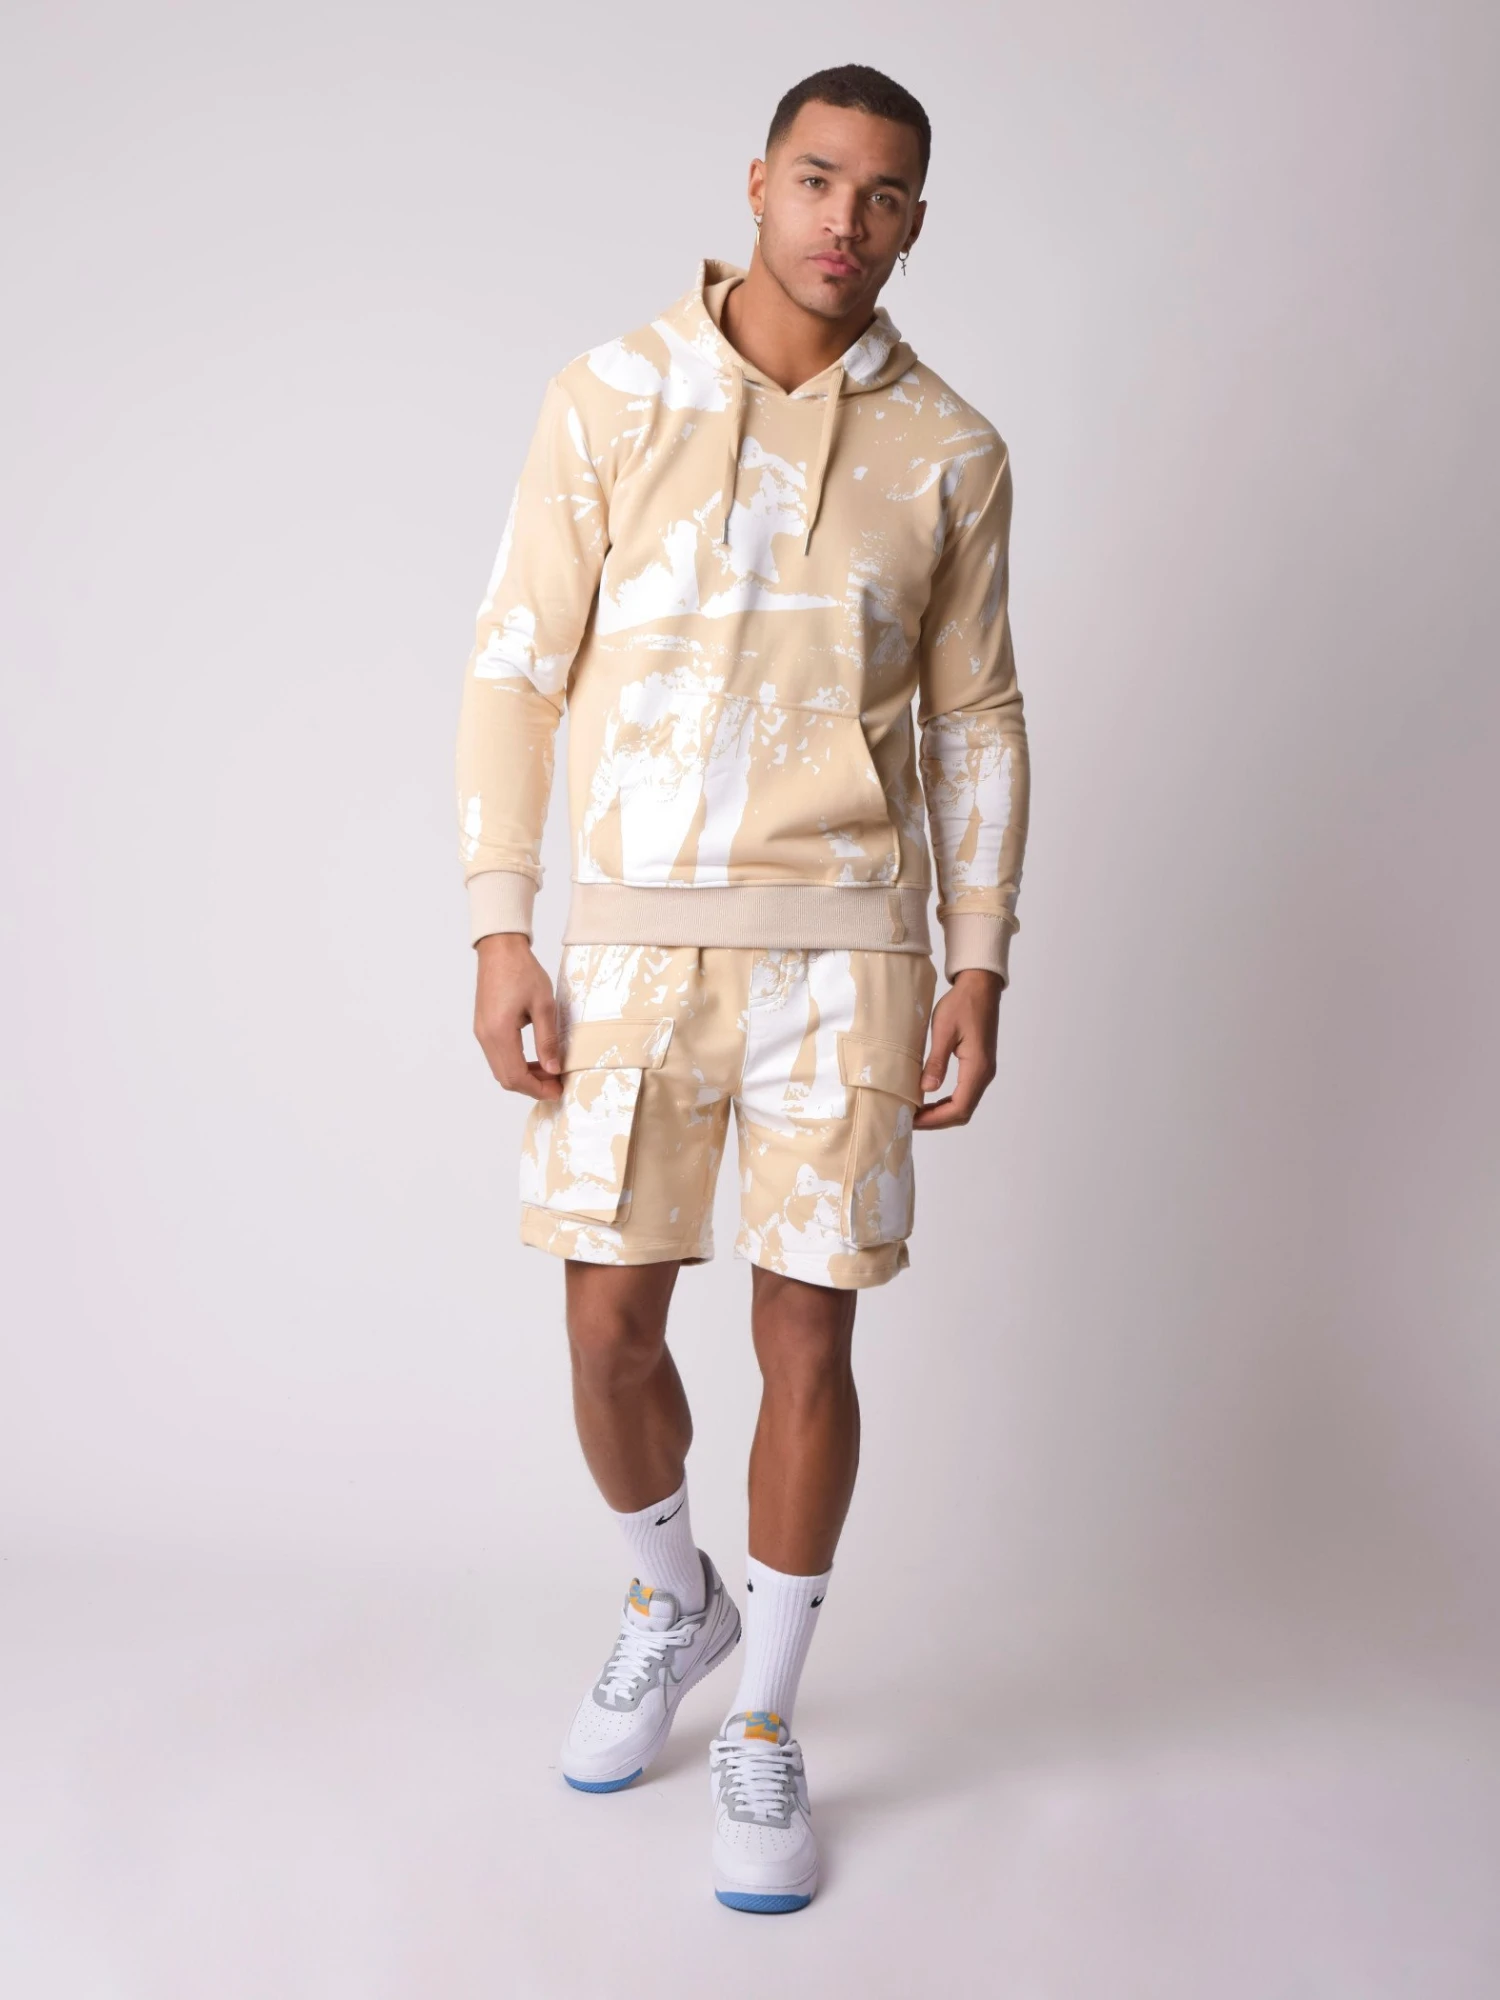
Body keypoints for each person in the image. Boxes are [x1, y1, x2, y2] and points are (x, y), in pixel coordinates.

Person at [454, 61, 1031, 1914]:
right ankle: (672, 1601)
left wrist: (981, 955)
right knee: (610, 1329)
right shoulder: (608, 394)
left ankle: (766, 1717)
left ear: (916, 222)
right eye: (818, 180)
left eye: (884, 195)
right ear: (760, 183)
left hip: (851, 953)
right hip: (631, 941)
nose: (846, 221)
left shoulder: (952, 449)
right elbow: (515, 668)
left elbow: (976, 717)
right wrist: (501, 920)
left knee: (810, 1343)